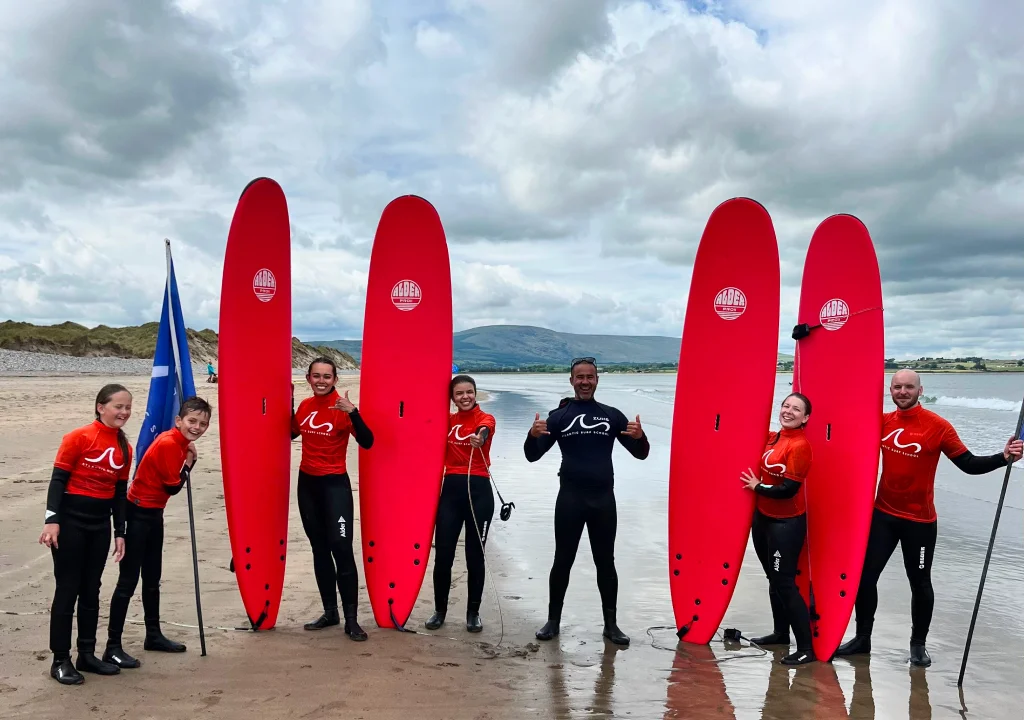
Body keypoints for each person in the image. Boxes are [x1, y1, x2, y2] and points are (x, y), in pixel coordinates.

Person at [836, 369, 1023, 667]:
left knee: (919, 582)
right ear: (891, 390)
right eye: (897, 387)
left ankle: (918, 645)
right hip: (882, 514)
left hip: (919, 521)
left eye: (909, 387)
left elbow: (969, 464)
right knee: (865, 577)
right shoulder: (882, 422)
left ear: (920, 391)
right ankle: (862, 638)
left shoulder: (938, 427)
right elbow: (847, 441)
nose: (902, 392)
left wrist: (1004, 457)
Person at [524, 357, 649, 646]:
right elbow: (532, 454)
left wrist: (641, 438)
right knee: (562, 561)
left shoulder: (612, 415)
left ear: (596, 380)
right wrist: (532, 436)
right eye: (579, 377)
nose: (584, 382)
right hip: (570, 499)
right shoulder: (559, 417)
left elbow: (640, 453)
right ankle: (553, 621)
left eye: (589, 377)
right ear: (571, 381)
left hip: (603, 501)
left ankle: (611, 625)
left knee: (606, 562)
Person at [102, 396, 212, 669]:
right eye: (192, 421)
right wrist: (189, 464)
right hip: (137, 514)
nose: (197, 427)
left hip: (154, 515)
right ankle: (112, 646)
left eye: (203, 423)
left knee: (153, 577)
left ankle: (153, 635)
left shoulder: (180, 443)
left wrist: (187, 457)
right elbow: (172, 487)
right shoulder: (167, 443)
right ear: (179, 420)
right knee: (128, 581)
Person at [39, 384, 133, 685]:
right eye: (118, 406)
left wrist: (120, 531)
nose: (124, 412)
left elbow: (120, 494)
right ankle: (60, 659)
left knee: (92, 589)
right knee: (68, 589)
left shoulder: (124, 448)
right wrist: (52, 521)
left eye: (128, 407)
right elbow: (57, 481)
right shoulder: (78, 437)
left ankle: (87, 654)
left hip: (99, 525)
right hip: (70, 523)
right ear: (100, 407)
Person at [291, 357, 374, 639]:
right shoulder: (304, 406)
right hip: (307, 485)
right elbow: (291, 432)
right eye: (316, 376)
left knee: (341, 547)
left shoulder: (342, 408)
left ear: (335, 379)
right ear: (309, 378)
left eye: (327, 376)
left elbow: (367, 441)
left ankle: (351, 619)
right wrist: (286, 402)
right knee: (319, 549)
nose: (322, 381)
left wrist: (353, 412)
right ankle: (330, 612)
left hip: (335, 486)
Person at [740, 392, 815, 665]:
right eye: (785, 406)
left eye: (796, 409)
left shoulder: (800, 446)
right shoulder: (774, 437)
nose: (788, 411)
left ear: (805, 417)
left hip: (786, 524)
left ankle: (807, 647)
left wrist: (757, 487)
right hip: (763, 519)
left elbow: (788, 490)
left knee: (784, 583)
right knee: (773, 579)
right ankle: (781, 634)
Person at [424, 375, 497, 633]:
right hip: (451, 492)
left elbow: (485, 429)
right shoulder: (448, 421)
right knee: (443, 555)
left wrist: (481, 437)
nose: (465, 397)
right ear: (452, 398)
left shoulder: (484, 419)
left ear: (475, 393)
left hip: (479, 491)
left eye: (469, 392)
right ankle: (439, 611)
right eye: (459, 393)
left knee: (475, 556)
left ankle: (473, 613)